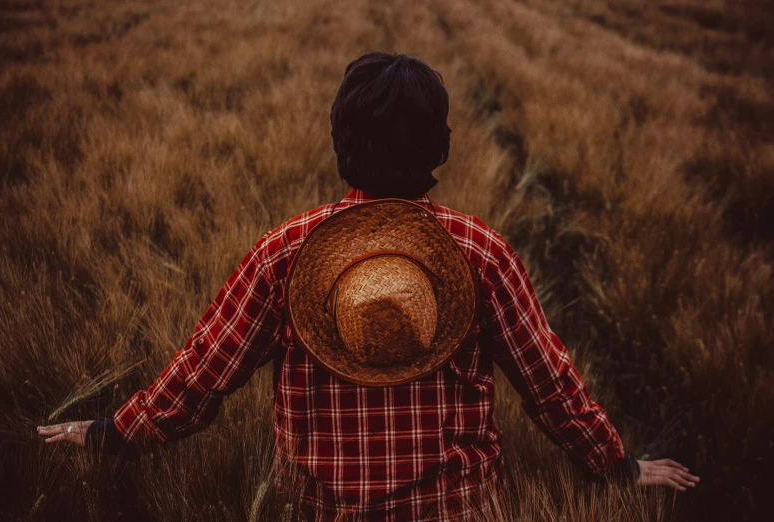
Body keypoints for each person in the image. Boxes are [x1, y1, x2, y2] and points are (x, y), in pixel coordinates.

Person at [37, 51, 699, 520]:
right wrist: (618, 468)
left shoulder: (284, 255)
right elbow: (549, 385)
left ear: (339, 142)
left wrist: (106, 436)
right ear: (439, 149)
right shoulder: (478, 253)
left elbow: (197, 380)